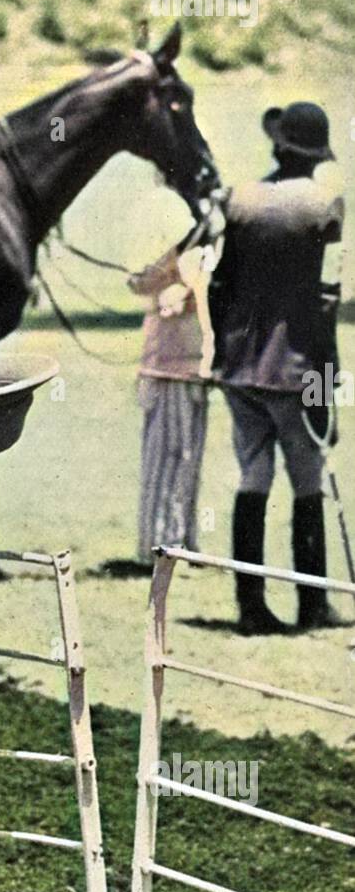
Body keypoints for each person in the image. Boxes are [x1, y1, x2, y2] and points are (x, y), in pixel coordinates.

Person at [209, 101, 345, 635]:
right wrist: (325, 377)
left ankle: (251, 605)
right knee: (308, 477)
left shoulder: (240, 199)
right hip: (297, 366)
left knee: (254, 476)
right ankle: (312, 603)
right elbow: (327, 300)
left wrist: (224, 351)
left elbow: (220, 285)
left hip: (240, 366)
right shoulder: (324, 204)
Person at [128, 237, 210, 568]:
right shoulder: (167, 248)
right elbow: (137, 282)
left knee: (185, 459)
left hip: (190, 367)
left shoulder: (199, 251)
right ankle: (162, 544)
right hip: (167, 368)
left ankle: (180, 540)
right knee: (170, 458)